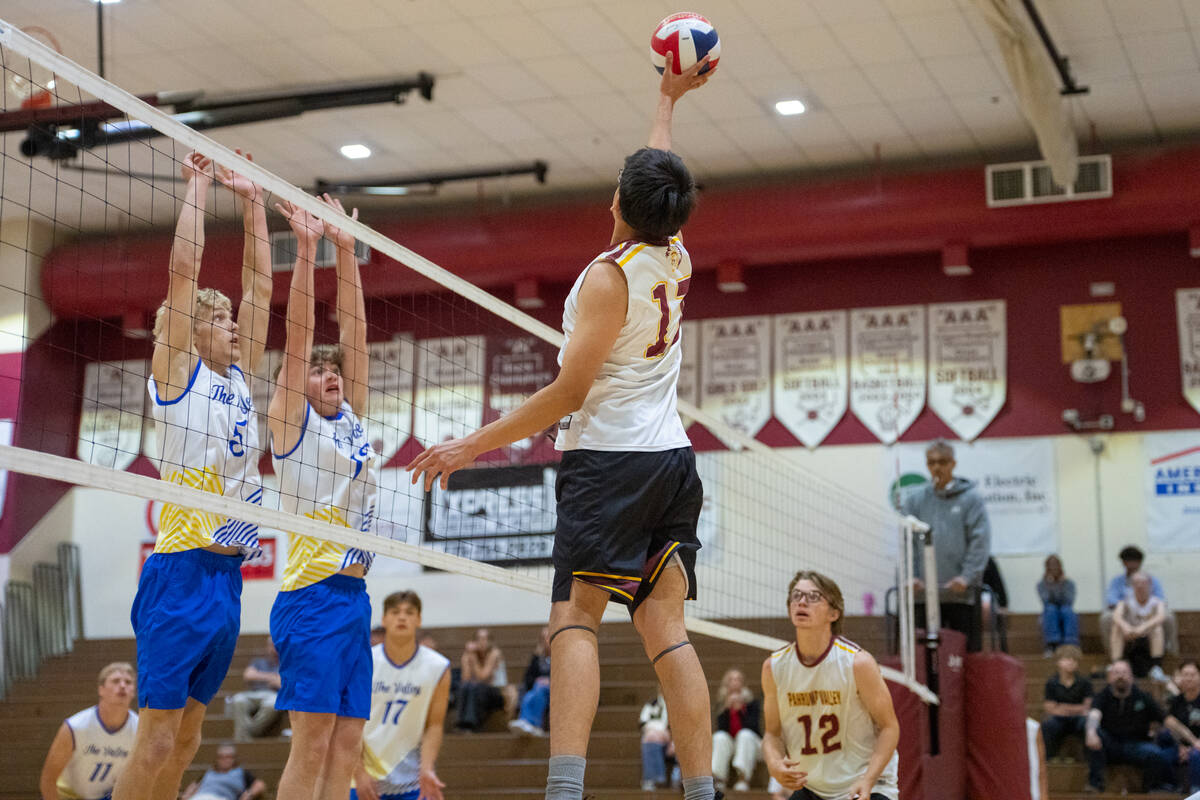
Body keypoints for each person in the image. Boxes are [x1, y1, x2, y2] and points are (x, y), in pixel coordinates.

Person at [406, 50, 717, 800]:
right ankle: (703, 789)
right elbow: (659, 168)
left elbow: (569, 390)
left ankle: (565, 791)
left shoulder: (608, 280)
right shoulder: (674, 252)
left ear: (618, 198)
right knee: (666, 630)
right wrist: (667, 98)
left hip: (611, 463)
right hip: (672, 460)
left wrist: (471, 445)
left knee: (574, 620)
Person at [114, 151, 272, 800]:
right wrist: (200, 185)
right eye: (217, 318)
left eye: (228, 318)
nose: (231, 323)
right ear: (188, 331)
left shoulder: (239, 375)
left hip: (225, 576)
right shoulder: (177, 376)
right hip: (179, 568)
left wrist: (254, 201)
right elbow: (183, 271)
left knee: (186, 742)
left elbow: (261, 289)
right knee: (155, 738)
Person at [269, 194, 377, 800]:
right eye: (317, 369)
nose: (330, 373)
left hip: (354, 598)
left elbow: (355, 334)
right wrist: (308, 251)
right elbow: (299, 333)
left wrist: (347, 248)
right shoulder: (290, 421)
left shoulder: (351, 417)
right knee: (310, 743)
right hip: (309, 599)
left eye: (333, 369)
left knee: (347, 744)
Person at [762, 571, 900, 800]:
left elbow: (889, 727)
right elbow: (772, 734)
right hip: (813, 788)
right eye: (796, 596)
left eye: (813, 596)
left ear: (834, 613)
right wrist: (775, 763)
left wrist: (868, 780)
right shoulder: (773, 667)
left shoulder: (858, 663)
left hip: (866, 784)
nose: (802, 601)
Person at [354, 590, 451, 800]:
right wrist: (359, 773)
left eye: (409, 612)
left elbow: (434, 725)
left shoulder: (438, 667)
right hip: (362, 779)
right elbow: (348, 723)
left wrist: (427, 769)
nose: (402, 617)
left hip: (411, 781)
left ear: (419, 619)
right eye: (395, 612)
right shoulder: (364, 662)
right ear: (384, 619)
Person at [900, 439, 992, 652]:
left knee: (964, 656)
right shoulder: (915, 501)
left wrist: (966, 577)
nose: (937, 467)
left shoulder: (971, 500)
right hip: (923, 596)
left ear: (953, 464)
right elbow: (907, 544)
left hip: (962, 595)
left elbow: (980, 542)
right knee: (926, 658)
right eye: (931, 463)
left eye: (942, 462)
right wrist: (911, 576)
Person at [40, 663, 139, 800]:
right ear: (101, 690)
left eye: (128, 682)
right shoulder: (75, 727)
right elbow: (48, 779)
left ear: (133, 691)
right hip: (68, 795)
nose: (122, 686)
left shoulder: (140, 730)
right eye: (116, 681)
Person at [1084, 660, 1174, 793]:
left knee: (1155, 753)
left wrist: (1192, 740)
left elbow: (1167, 720)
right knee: (1094, 733)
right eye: (1116, 673)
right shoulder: (1102, 696)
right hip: (1110, 745)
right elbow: (1093, 715)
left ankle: (1151, 789)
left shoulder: (1143, 697)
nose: (1120, 676)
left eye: (1124, 672)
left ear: (1132, 677)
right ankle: (1095, 784)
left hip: (1136, 745)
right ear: (1109, 677)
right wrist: (1090, 733)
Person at [1100, 545, 1178, 654]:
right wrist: (1129, 606)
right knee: (1106, 617)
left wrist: (1144, 606)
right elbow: (1111, 600)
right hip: (1126, 613)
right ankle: (1112, 653)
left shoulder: (1152, 580)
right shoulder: (1117, 581)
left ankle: (1169, 649)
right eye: (1128, 561)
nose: (1131, 565)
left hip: (1149, 613)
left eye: (1134, 561)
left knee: (1169, 616)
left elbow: (1160, 599)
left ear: (1140, 562)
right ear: (1123, 563)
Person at [1109, 572, 1167, 680]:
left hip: (1148, 634)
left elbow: (1161, 616)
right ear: (1132, 585)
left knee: (1157, 629)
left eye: (1143, 582)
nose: (1140, 586)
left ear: (1150, 584)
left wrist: (1143, 627)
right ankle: (1115, 663)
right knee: (1116, 628)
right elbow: (1116, 616)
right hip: (1130, 633)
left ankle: (1156, 666)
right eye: (1136, 583)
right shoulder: (1126, 601)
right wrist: (1125, 626)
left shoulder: (1156, 601)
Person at [711, 669, 762, 791]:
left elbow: (754, 728)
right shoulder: (721, 704)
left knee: (744, 735)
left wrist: (741, 711)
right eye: (731, 679)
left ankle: (743, 779)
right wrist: (727, 710)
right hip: (731, 744)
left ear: (743, 683)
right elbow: (721, 729)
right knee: (719, 737)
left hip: (751, 743)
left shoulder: (752, 703)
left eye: (738, 679)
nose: (735, 682)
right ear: (726, 684)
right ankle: (719, 779)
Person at [455, 627, 515, 731]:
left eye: (485, 639)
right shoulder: (472, 654)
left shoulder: (495, 653)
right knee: (465, 687)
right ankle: (461, 723)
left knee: (477, 687)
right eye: (478, 639)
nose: (481, 642)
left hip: (497, 692)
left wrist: (473, 659)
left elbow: (482, 677)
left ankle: (472, 722)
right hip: (478, 691)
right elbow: (465, 679)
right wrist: (466, 657)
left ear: (490, 641)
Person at [1040, 645, 1093, 762]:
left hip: (1078, 719)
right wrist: (1076, 708)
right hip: (1059, 719)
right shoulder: (1052, 682)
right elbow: (1049, 708)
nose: (1071, 662)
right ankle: (1048, 759)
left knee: (1087, 723)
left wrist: (1062, 707)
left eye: (1074, 660)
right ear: (1058, 662)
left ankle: (1088, 759)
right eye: (1067, 659)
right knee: (1048, 724)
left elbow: (1087, 707)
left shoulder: (1084, 682)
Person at [228, 638, 283, 740]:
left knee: (273, 703)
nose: (274, 648)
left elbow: (282, 684)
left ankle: (250, 731)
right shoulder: (258, 662)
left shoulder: (285, 664)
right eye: (271, 645)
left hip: (272, 695)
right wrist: (271, 677)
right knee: (238, 700)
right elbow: (248, 675)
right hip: (253, 694)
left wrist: (260, 676)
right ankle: (243, 741)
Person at [1161, 660, 1200, 796]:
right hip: (1182, 745)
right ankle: (1169, 789)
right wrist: (1180, 746)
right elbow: (1170, 725)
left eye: (1192, 674)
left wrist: (1194, 745)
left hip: (1198, 746)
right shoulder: (1176, 701)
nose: (1188, 678)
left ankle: (1196, 792)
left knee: (1196, 756)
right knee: (1161, 755)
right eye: (1185, 674)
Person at [180, 745, 266, 800]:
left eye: (228, 757)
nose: (225, 760)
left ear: (234, 759)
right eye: (221, 757)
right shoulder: (209, 773)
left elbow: (260, 784)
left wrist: (249, 794)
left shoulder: (241, 773)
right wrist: (187, 795)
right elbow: (195, 785)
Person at [510, 627, 552, 736]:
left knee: (540, 688)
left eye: (548, 637)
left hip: (555, 690)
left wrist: (549, 680)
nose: (546, 640)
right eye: (544, 638)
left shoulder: (561, 656)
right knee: (529, 694)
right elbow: (528, 678)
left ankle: (536, 724)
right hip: (538, 691)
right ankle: (525, 721)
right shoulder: (537, 658)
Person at [1037, 555, 1079, 655]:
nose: (1054, 568)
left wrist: (1061, 584)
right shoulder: (1041, 584)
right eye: (1051, 566)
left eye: (1056, 565)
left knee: (1067, 611)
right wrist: (1050, 585)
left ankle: (1070, 643)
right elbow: (1046, 600)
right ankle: (1052, 644)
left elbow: (1069, 600)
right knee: (1051, 609)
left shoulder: (1069, 583)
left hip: (1065, 608)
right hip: (1049, 611)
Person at [639, 691, 676, 791]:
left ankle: (653, 778)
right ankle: (654, 778)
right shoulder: (652, 704)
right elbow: (642, 723)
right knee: (650, 737)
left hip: (674, 737)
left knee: (651, 737)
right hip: (656, 737)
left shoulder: (677, 703)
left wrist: (672, 740)